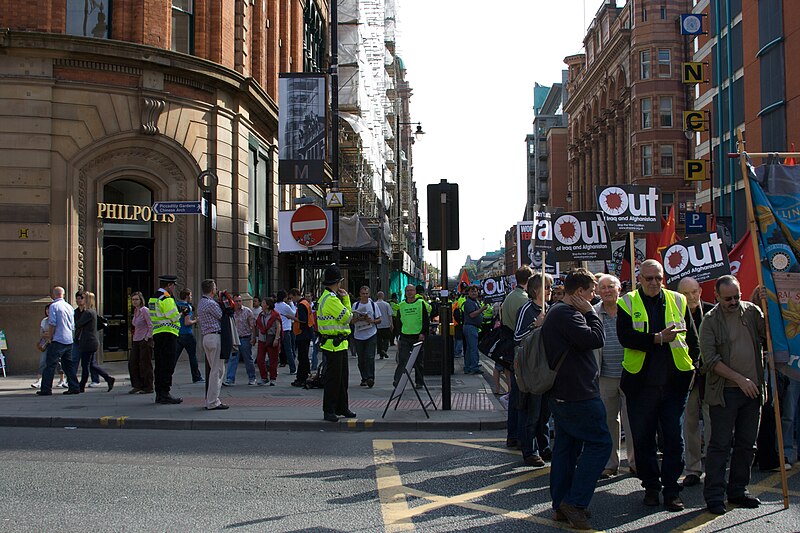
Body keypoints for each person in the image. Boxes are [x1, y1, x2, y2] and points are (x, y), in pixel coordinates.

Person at [617, 259, 700, 512]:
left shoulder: (678, 299)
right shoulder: (627, 301)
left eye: (658, 278)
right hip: (641, 385)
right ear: (639, 279)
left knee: (674, 439)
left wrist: (693, 368)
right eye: (649, 278)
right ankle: (651, 487)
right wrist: (657, 338)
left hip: (674, 385)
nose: (654, 283)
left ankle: (672, 489)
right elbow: (626, 337)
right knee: (643, 439)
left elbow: (693, 341)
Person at [541, 268, 610, 530]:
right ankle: (576, 502)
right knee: (600, 444)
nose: (594, 296)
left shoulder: (559, 312)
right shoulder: (569, 314)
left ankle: (560, 505)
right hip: (577, 393)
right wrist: (592, 314)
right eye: (592, 292)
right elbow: (595, 339)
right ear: (579, 293)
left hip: (564, 392)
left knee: (566, 449)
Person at [699, 275, 766, 515]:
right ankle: (715, 495)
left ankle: (738, 490)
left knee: (747, 444)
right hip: (725, 392)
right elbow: (710, 360)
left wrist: (772, 309)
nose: (734, 301)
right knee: (720, 445)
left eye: (737, 296)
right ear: (716, 297)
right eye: (728, 298)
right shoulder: (710, 320)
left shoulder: (752, 311)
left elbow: (768, 336)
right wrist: (740, 379)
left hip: (753, 391)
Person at [594, 274, 635, 479]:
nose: (607, 290)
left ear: (619, 289)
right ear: (598, 292)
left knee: (632, 421)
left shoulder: (630, 310)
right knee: (609, 421)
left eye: (611, 287)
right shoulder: (593, 312)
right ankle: (611, 463)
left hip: (631, 374)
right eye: (603, 288)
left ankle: (635, 462)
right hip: (605, 376)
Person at [677, 276, 715, 487]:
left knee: (712, 423)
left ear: (700, 291)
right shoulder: (675, 314)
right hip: (686, 378)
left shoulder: (712, 312)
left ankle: (713, 468)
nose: (690, 297)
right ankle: (693, 468)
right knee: (689, 424)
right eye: (685, 293)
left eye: (693, 292)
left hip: (710, 377)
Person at [512, 271, 553, 468]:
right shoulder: (526, 309)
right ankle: (530, 451)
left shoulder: (549, 308)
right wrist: (535, 325)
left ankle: (544, 446)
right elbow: (518, 337)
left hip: (546, 366)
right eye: (547, 287)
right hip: (531, 368)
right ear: (536, 289)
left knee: (545, 413)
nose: (550, 291)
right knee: (532, 412)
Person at [501, 265, 534, 449]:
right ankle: (520, 436)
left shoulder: (510, 297)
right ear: (529, 281)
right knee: (522, 397)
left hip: (511, 349)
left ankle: (513, 434)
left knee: (515, 394)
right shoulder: (523, 300)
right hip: (520, 351)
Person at [318, 264, 356, 422]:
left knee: (342, 379)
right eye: (340, 281)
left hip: (338, 344)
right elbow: (347, 318)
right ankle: (329, 410)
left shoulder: (328, 298)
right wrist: (346, 299)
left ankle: (342, 407)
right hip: (333, 345)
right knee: (333, 380)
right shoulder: (331, 300)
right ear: (337, 283)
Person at [37, 286, 78, 396]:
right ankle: (74, 386)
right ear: (63, 294)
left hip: (58, 339)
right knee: (68, 365)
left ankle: (46, 389)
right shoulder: (69, 307)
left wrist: (50, 337)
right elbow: (73, 325)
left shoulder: (53, 306)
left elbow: (52, 323)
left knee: (50, 365)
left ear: (54, 294)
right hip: (68, 339)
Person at [149, 274, 182, 404]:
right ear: (169, 285)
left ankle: (159, 393)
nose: (173, 288)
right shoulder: (167, 298)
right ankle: (165, 393)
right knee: (168, 364)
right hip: (168, 333)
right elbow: (173, 317)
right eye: (173, 286)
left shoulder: (153, 298)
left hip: (157, 333)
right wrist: (181, 313)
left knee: (160, 365)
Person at [196, 279, 228, 410]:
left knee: (214, 370)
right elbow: (223, 316)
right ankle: (213, 401)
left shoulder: (201, 303)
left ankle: (212, 399)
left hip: (206, 338)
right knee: (218, 371)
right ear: (212, 290)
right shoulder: (211, 304)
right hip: (215, 336)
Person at [74, 291, 114, 392]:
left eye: (83, 298)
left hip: (88, 342)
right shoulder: (92, 311)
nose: (81, 300)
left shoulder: (88, 312)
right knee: (91, 364)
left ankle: (81, 386)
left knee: (85, 365)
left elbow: (78, 324)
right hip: (90, 342)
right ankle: (108, 378)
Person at [394, 284, 429, 390]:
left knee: (419, 362)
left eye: (411, 290)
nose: (409, 292)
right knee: (403, 360)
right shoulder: (401, 305)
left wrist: (423, 333)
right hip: (405, 337)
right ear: (405, 292)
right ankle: (398, 381)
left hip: (418, 337)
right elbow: (398, 322)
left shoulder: (421, 303)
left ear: (415, 292)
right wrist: (398, 337)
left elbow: (426, 320)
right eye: (407, 290)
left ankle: (419, 382)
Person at [223, 294, 257, 386]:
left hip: (245, 338)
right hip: (234, 339)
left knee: (248, 359)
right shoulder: (231, 312)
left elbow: (252, 325)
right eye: (236, 301)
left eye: (239, 301)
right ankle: (230, 379)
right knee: (233, 358)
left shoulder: (247, 311)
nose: (238, 303)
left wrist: (253, 337)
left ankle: (252, 377)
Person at [351, 286, 381, 388]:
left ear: (369, 294)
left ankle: (370, 378)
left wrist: (371, 321)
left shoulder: (373, 305)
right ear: (360, 294)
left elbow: (379, 319)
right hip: (358, 335)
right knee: (361, 359)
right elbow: (351, 321)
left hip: (371, 334)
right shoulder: (355, 305)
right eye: (363, 293)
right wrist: (358, 319)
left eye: (366, 294)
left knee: (370, 357)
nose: (365, 296)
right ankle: (364, 378)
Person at [32, 304, 66, 389]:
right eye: (46, 310)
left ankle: (62, 380)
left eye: (49, 310)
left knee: (59, 362)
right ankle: (39, 380)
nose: (48, 311)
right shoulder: (44, 321)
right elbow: (42, 333)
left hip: (55, 343)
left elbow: (57, 332)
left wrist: (49, 333)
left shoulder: (57, 320)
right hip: (46, 343)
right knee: (43, 361)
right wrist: (48, 334)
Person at [175, 289, 203, 384]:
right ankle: (196, 377)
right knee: (192, 356)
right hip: (187, 334)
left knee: (174, 357)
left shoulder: (176, 305)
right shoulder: (187, 307)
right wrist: (196, 320)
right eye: (190, 296)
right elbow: (187, 322)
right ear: (187, 296)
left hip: (178, 333)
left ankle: (167, 375)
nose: (191, 297)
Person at [129, 291, 154, 394]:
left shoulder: (145, 311)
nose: (134, 301)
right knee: (133, 363)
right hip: (136, 340)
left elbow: (151, 325)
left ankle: (148, 386)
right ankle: (137, 385)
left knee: (145, 364)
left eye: (136, 299)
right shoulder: (136, 311)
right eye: (133, 299)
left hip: (144, 340)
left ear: (141, 300)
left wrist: (147, 338)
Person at [462, 285, 488, 375]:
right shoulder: (469, 302)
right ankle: (474, 367)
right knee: (473, 348)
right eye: (472, 291)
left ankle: (468, 367)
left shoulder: (475, 301)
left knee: (470, 349)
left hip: (473, 327)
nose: (474, 293)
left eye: (475, 291)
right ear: (468, 293)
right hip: (470, 327)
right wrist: (482, 309)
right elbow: (472, 315)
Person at [256, 297, 281, 385]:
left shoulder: (275, 315)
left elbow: (278, 327)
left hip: (271, 338)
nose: (261, 304)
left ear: (267, 305)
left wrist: (276, 338)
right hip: (262, 338)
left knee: (273, 360)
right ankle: (264, 377)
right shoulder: (261, 314)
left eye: (263, 302)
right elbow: (258, 326)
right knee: (260, 359)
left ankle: (273, 378)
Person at [292, 292, 315, 387]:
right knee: (304, 357)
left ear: (295, 295)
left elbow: (303, 320)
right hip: (307, 333)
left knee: (302, 357)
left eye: (292, 297)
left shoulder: (301, 305)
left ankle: (302, 378)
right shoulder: (306, 303)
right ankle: (305, 376)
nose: (292, 300)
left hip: (302, 333)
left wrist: (292, 318)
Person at [275, 289, 299, 374]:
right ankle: (292, 368)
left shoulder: (275, 306)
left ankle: (274, 368)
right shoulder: (285, 306)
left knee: (276, 350)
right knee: (289, 349)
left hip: (277, 329)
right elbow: (294, 313)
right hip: (286, 329)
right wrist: (292, 303)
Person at [374, 291, 394, 359]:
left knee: (379, 339)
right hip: (386, 324)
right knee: (386, 339)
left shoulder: (374, 304)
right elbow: (390, 315)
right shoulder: (386, 304)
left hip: (377, 325)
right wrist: (391, 324)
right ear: (383, 296)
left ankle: (380, 353)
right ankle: (384, 349)